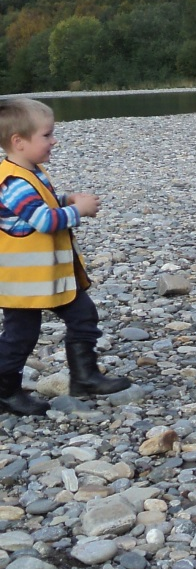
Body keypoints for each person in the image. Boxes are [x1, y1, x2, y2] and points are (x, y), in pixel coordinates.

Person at [0, 97, 130, 414]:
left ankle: (84, 377)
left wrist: (65, 197)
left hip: (49, 279)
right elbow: (43, 220)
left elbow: (41, 201)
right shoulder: (13, 181)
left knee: (83, 315)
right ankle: (4, 390)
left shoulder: (30, 172)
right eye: (47, 135)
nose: (53, 140)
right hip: (22, 284)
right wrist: (77, 210)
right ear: (18, 142)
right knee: (21, 335)